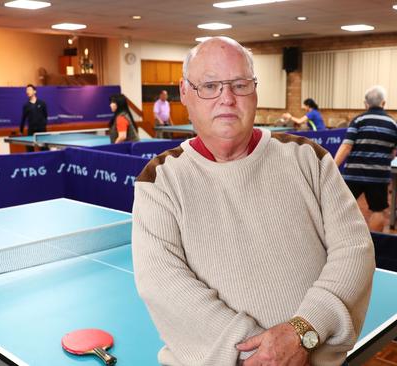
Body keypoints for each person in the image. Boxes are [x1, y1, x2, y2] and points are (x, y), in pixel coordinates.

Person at [132, 36, 374, 366]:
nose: (227, 98)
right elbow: (164, 285)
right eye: (210, 85)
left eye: (240, 84)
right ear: (185, 92)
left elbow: (354, 249)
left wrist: (300, 333)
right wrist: (263, 354)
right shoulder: (159, 179)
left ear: (255, 91)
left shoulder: (310, 159)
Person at [333, 85, 397, 232]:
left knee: (342, 209)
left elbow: (346, 147)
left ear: (366, 104)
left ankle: (343, 240)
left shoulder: (358, 121)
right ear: (384, 103)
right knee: (377, 210)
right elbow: (393, 153)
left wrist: (331, 166)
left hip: (354, 175)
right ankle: (376, 245)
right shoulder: (393, 124)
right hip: (378, 176)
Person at [19, 84, 48, 152]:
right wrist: (21, 130)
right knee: (29, 150)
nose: (27, 92)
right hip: (31, 131)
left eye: (29, 90)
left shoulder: (42, 103)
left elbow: (45, 115)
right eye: (26, 90)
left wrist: (43, 125)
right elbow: (23, 119)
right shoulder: (26, 106)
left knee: (44, 149)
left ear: (35, 91)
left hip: (41, 131)